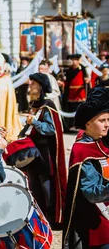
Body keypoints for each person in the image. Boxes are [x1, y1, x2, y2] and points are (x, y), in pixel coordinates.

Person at [5, 73, 66, 229]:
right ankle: (40, 217)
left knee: (46, 188)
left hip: (44, 153)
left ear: (41, 86)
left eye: (34, 83)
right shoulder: (34, 105)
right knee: (34, 186)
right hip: (33, 152)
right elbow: (28, 130)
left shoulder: (48, 106)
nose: (30, 84)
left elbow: (50, 129)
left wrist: (36, 122)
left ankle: (52, 218)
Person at [63, 87, 109, 249]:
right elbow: (91, 193)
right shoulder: (82, 150)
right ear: (88, 123)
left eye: (108, 120)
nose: (107, 125)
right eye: (102, 121)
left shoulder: (102, 144)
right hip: (97, 223)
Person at [63, 54, 89, 132]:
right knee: (72, 109)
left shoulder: (82, 69)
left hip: (80, 93)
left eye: (76, 60)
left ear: (78, 61)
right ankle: (73, 124)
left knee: (81, 109)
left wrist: (87, 81)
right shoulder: (69, 70)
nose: (74, 62)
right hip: (71, 93)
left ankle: (81, 124)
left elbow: (86, 79)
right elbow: (67, 82)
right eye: (73, 60)